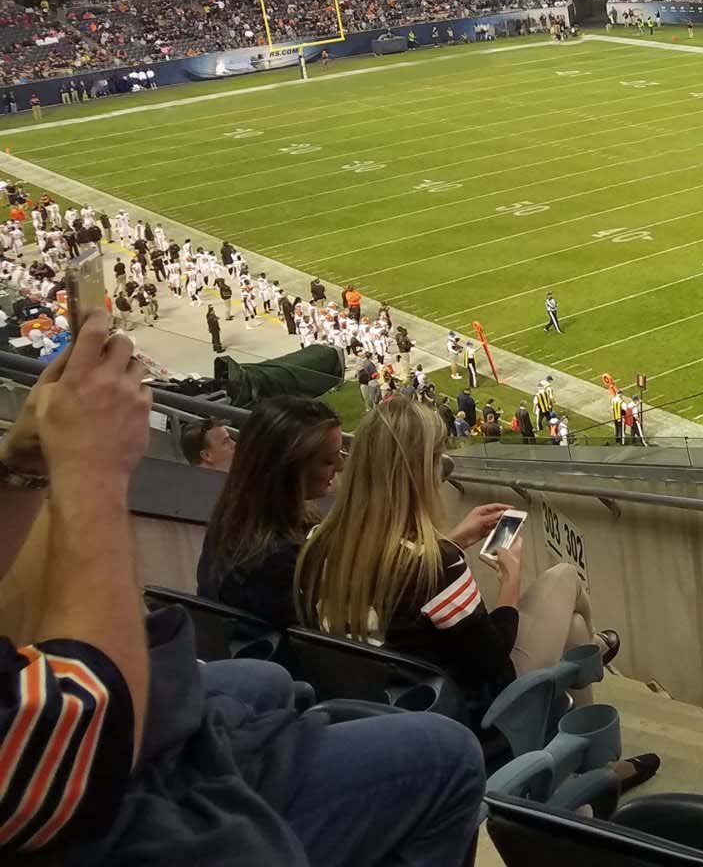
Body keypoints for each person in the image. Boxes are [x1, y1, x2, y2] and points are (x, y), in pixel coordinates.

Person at [2, 313, 488, 866]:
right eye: (326, 461)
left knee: (268, 679)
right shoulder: (292, 560)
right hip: (114, 795)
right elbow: (90, 739)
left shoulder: (260, 536)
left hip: (102, 742)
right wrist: (93, 472)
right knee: (448, 755)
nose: (336, 472)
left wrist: (26, 462)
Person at [294, 395, 628, 722]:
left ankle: (592, 744)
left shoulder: (316, 543)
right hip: (465, 714)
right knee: (565, 575)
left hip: (378, 706)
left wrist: (457, 539)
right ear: (420, 473)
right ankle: (593, 655)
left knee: (574, 627)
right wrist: (510, 577)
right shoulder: (438, 567)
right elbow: (494, 664)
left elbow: (389, 578)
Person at [197, 395, 345, 631]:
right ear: (288, 469)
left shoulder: (233, 522)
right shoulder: (271, 561)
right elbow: (316, 642)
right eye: (327, 460)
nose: (340, 466)